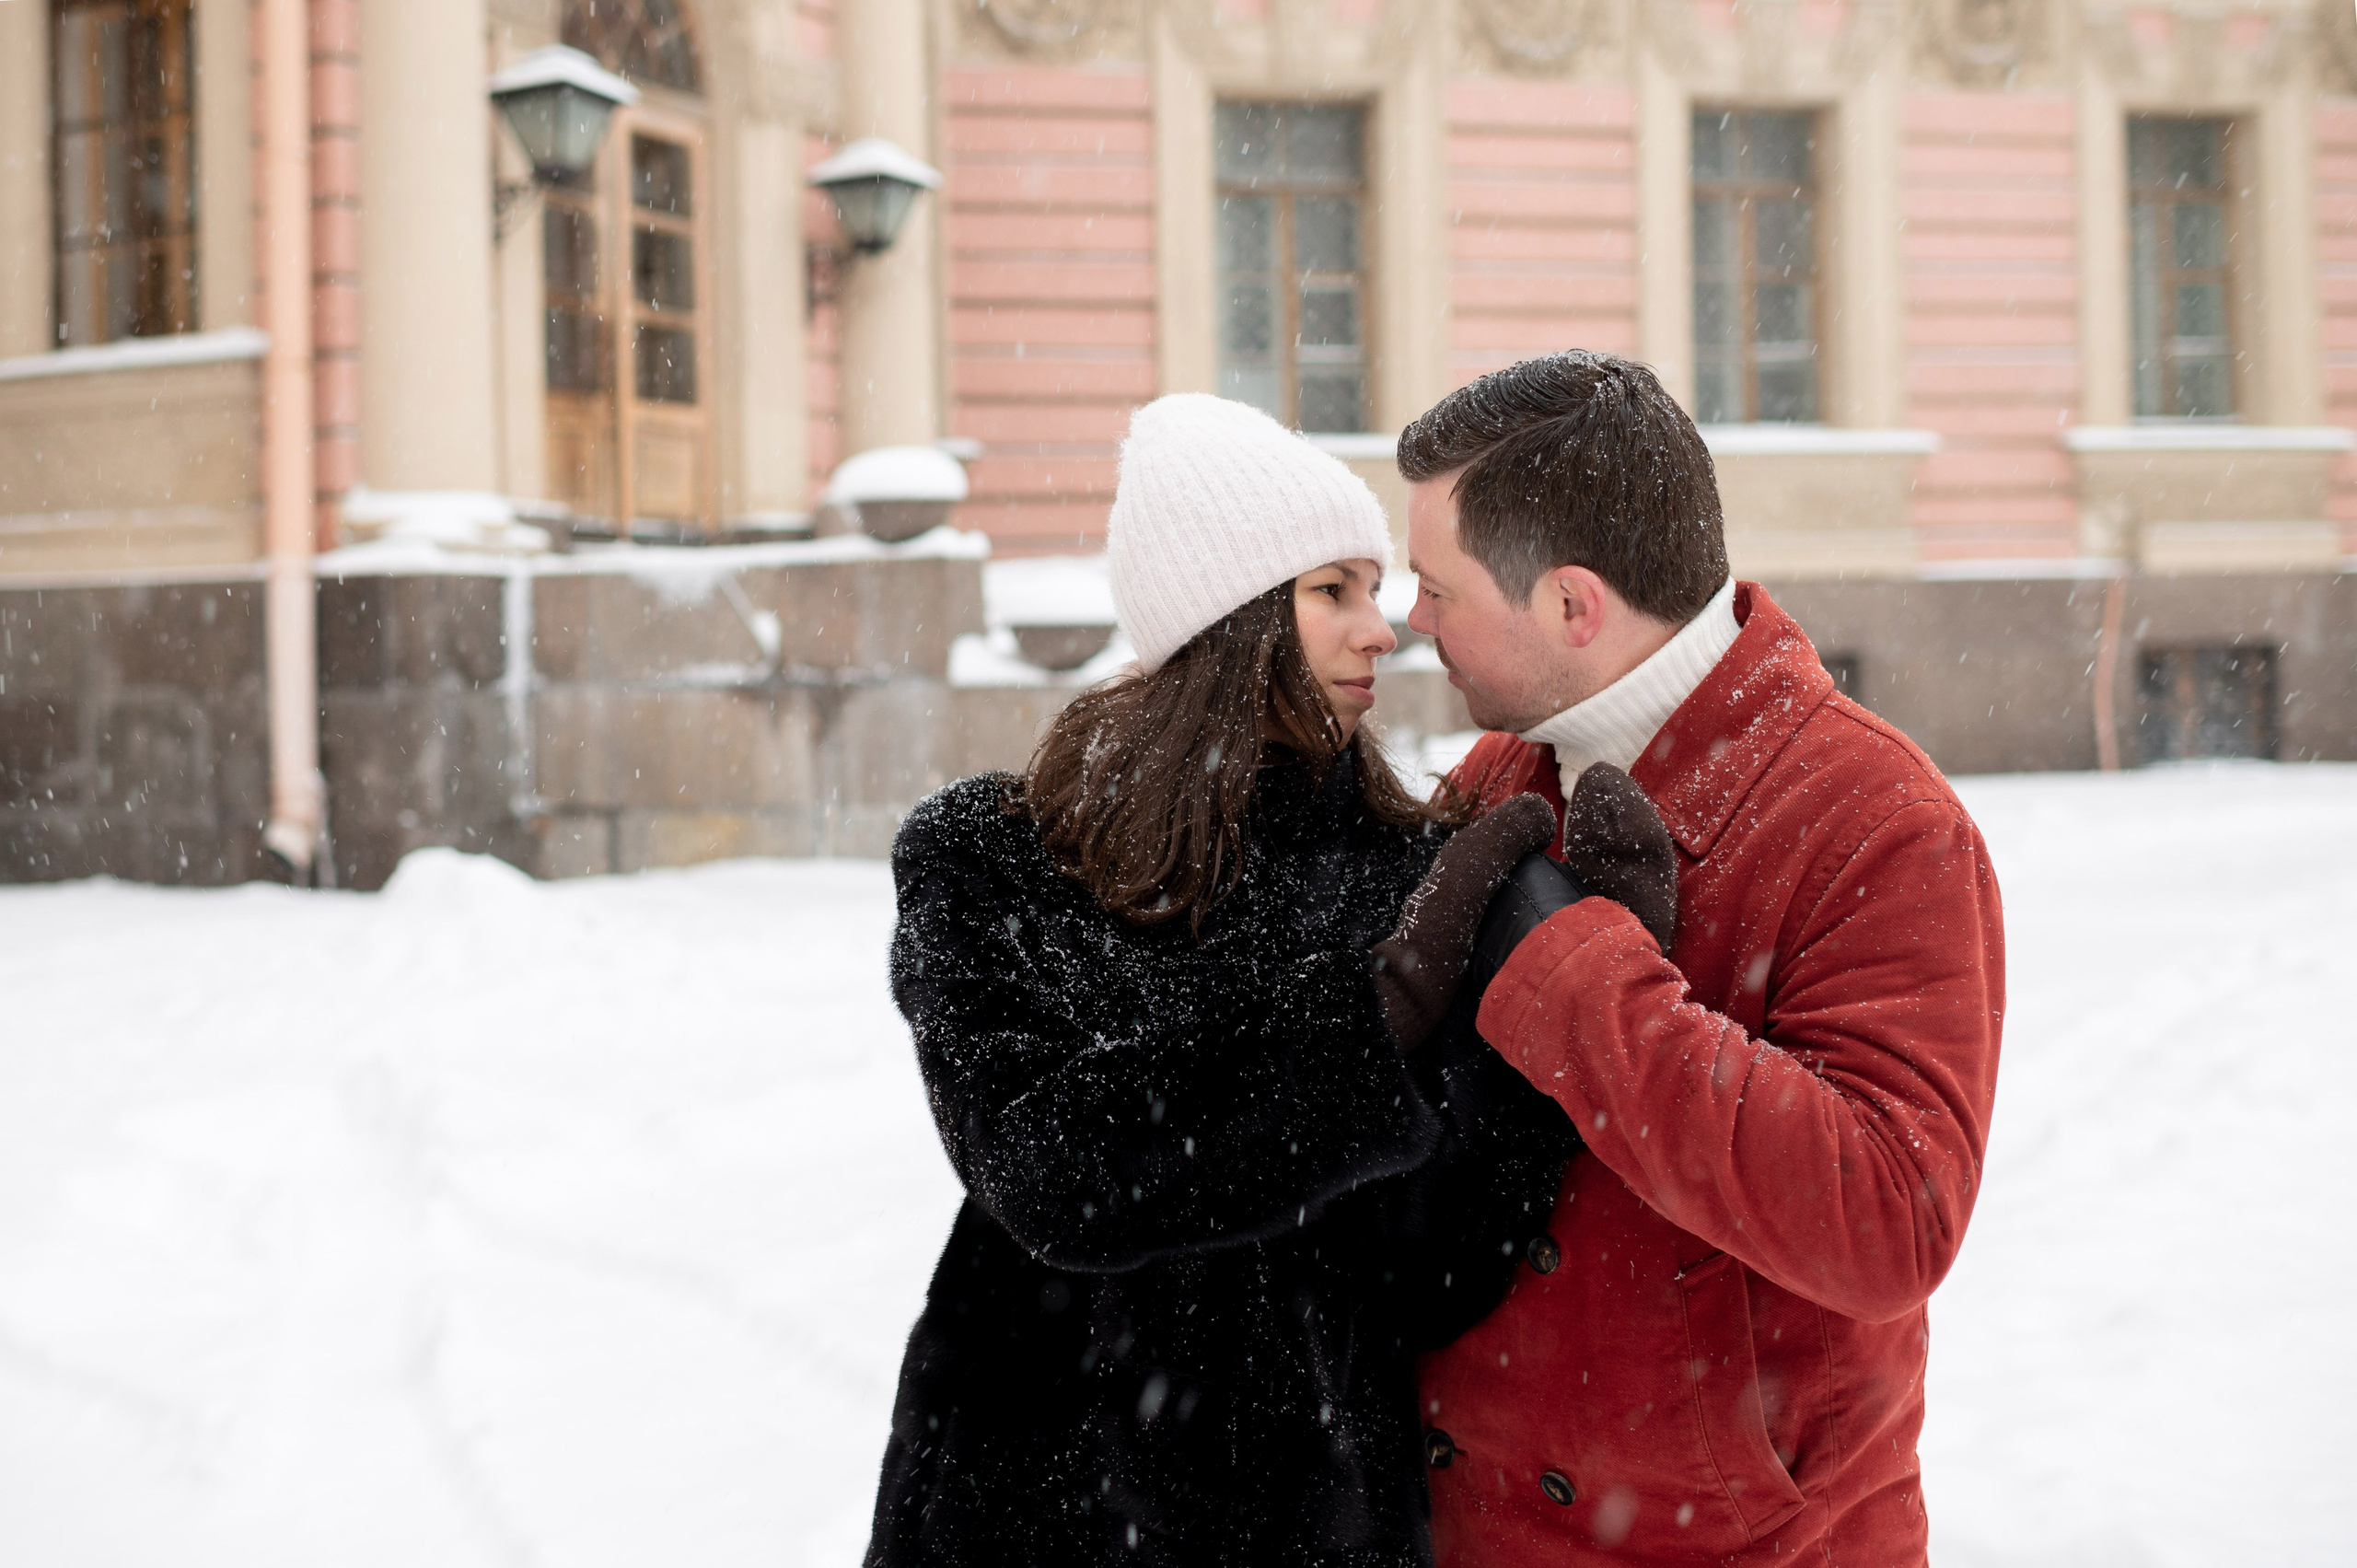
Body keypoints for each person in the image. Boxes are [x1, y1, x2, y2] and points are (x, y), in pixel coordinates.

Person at [865, 394, 1628, 1566]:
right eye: (1335, 590)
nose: (1383, 631)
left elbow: (1437, 1268)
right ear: (1231, 620)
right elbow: (1048, 1168)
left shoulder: (1404, 874)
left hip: (1310, 1516)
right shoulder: (990, 858)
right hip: (1024, 1506)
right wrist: (1361, 1027)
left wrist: (1579, 1003)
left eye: (1375, 591)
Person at [1398, 352, 2005, 1566]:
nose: (1413, 623)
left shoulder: (1876, 818)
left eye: (1435, 586)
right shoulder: (1500, 773)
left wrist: (1572, 973)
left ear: (1574, 606)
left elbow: (1891, 1218)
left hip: (1747, 1544)